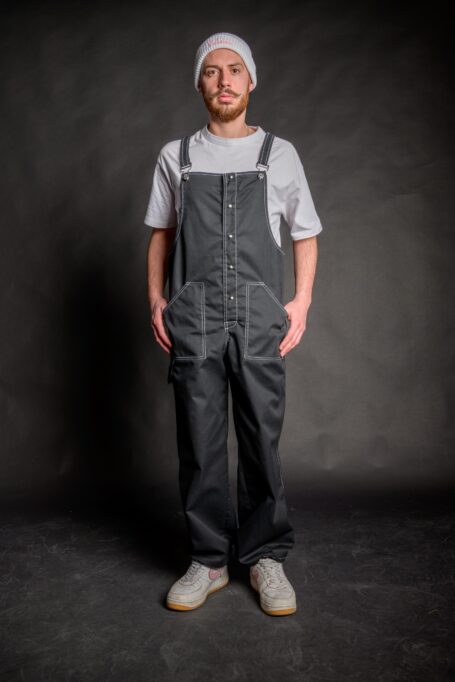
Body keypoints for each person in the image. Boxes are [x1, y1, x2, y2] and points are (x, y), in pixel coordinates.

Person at [145, 32, 322, 616]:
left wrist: (299, 302)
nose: (224, 80)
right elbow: (162, 235)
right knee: (198, 442)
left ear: (251, 82)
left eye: (235, 70)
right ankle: (209, 560)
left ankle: (265, 557)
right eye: (213, 71)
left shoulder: (280, 153)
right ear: (200, 83)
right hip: (193, 317)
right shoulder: (179, 157)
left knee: (260, 440)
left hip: (260, 315)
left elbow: (305, 233)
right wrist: (155, 300)